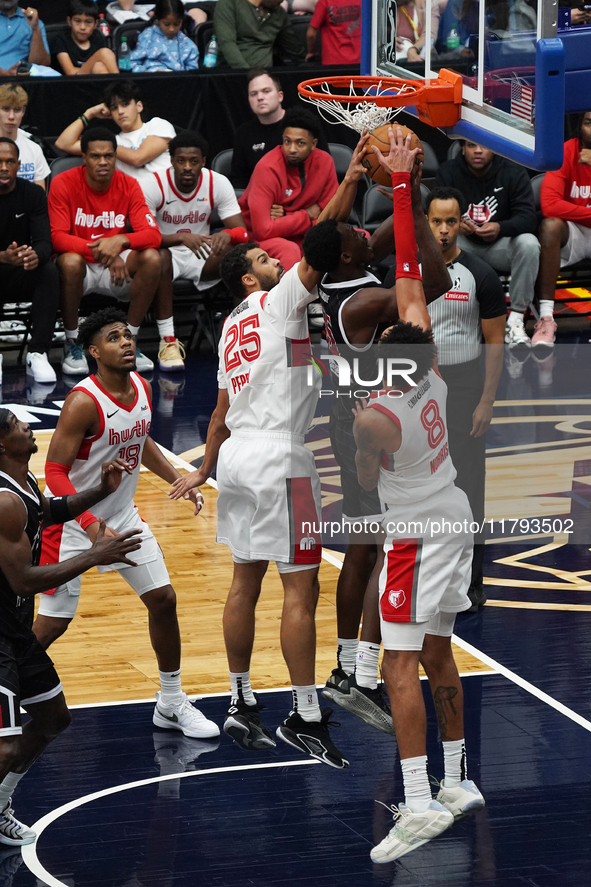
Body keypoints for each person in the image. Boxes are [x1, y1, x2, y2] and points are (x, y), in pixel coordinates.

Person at [168, 213, 359, 767]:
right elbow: (322, 246)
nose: (276, 261)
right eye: (264, 260)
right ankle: (304, 714)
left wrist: (205, 469)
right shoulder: (279, 303)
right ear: (249, 280)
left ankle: (241, 700)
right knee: (301, 588)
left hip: (237, 460)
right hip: (283, 460)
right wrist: (351, 184)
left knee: (244, 579)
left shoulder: (231, 327)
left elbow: (221, 414)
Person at [352, 128, 484, 863]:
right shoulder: (426, 363)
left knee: (397, 663)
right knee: (438, 649)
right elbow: (410, 273)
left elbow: (368, 481)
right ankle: (458, 777)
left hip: (415, 529)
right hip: (454, 510)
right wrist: (399, 184)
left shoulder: (374, 410)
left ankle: (418, 798)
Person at [32, 308, 220, 742]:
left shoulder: (139, 385)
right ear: (93, 351)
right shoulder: (83, 401)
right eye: (115, 338)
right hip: (74, 524)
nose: (127, 342)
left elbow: (142, 440)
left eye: (128, 335)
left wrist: (180, 478)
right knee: (53, 625)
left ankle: (171, 703)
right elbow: (55, 472)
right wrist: (92, 525)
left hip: (122, 515)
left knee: (164, 599)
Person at [316, 144, 452, 732]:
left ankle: (353, 666)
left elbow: (429, 275)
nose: (357, 231)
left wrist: (406, 194)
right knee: (370, 546)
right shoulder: (357, 302)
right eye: (351, 233)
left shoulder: (349, 272)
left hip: (363, 416)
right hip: (365, 427)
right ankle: (354, 669)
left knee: (369, 546)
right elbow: (427, 283)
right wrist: (402, 191)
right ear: (345, 256)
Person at [0, 406, 143, 846]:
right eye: (16, 424)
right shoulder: (3, 501)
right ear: (3, 443)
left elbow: (48, 510)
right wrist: (93, 556)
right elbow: (23, 579)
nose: (27, 425)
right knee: (4, 746)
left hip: (15, 627)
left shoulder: (23, 483)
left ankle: (0, 803)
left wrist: (100, 489)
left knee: (52, 717)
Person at [425, 186, 506, 611]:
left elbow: (495, 342)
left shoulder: (481, 274)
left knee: (468, 484)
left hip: (464, 386)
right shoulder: (408, 271)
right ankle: (424, 571)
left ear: (462, 223)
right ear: (425, 222)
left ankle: (472, 581)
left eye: (450, 221)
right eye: (436, 221)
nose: (442, 230)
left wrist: (487, 401)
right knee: (418, 485)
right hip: (417, 387)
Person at [48, 126, 163, 376]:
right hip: (82, 267)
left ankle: (130, 340)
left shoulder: (129, 185)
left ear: (115, 157)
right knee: (68, 262)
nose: (103, 162)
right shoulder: (62, 183)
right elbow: (57, 238)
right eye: (95, 156)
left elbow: (153, 235)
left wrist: (121, 240)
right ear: (84, 157)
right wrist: (104, 252)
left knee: (153, 258)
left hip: (117, 267)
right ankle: (72, 342)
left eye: (109, 156)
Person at [143, 130, 247, 370]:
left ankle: (237, 333)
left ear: (203, 161)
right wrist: (179, 237)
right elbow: (144, 238)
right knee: (158, 257)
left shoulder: (217, 182)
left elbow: (242, 232)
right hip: (165, 253)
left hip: (202, 254)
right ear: (172, 161)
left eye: (193, 161)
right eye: (181, 161)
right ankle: (168, 341)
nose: (187, 167)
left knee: (241, 254)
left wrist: (225, 234)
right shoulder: (153, 184)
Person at [435, 141, 539, 349]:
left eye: (484, 146)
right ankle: (444, 323)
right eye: (472, 146)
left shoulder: (513, 171)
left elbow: (529, 218)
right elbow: (437, 216)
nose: (479, 151)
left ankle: (516, 320)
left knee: (529, 244)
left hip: (499, 245)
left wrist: (501, 227)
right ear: (463, 148)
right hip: (463, 245)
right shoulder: (448, 171)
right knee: (438, 241)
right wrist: (455, 225)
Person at [238, 108, 339, 269]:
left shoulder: (325, 162)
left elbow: (330, 216)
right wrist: (307, 215)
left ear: (313, 144)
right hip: (259, 240)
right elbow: (263, 230)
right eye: (287, 141)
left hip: (304, 234)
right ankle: (292, 295)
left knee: (354, 238)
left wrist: (286, 215)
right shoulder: (266, 167)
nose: (292, 149)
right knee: (289, 250)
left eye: (300, 143)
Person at [0, 137, 58, 384]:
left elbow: (45, 241)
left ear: (18, 165)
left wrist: (36, 255)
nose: (4, 167)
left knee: (50, 271)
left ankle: (37, 352)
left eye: (10, 161)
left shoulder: (33, 193)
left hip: (22, 269)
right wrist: (2, 257)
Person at [54, 79, 176, 190]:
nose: (120, 111)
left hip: (169, 200)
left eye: (125, 104)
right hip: (135, 203)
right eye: (114, 108)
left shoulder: (158, 125)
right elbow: (63, 143)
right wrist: (89, 113)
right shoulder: (113, 141)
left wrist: (107, 147)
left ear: (139, 106)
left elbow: (138, 158)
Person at [535, 111, 591, 350]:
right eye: (589, 123)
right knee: (550, 227)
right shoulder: (567, 151)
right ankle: (546, 318)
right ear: (580, 126)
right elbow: (550, 205)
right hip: (575, 232)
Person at [231, 69, 329, 190]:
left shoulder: (304, 124)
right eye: (253, 94)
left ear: (280, 96)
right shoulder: (243, 133)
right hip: (261, 199)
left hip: (304, 198)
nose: (260, 97)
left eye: (266, 91)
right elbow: (239, 180)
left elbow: (324, 170)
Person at [213, 0, 306, 69]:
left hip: (266, 79)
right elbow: (227, 43)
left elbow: (294, 49)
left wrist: (308, 58)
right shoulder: (229, 3)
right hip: (231, 75)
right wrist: (247, 74)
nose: (283, 0)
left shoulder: (280, 14)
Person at [0, 83, 50, 189]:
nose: (11, 116)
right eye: (6, 109)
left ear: (23, 111)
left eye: (17, 110)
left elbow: (40, 196)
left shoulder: (34, 149)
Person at [130, 0, 199, 72]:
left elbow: (192, 72)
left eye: (176, 24)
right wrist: (146, 73)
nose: (171, 29)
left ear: (182, 20)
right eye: (166, 24)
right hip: (150, 79)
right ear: (159, 20)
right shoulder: (147, 37)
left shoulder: (187, 44)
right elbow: (132, 62)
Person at [54, 0, 119, 76]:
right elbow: (71, 73)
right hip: (72, 84)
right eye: (77, 21)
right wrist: (91, 67)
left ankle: (119, 85)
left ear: (96, 24)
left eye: (88, 22)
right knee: (104, 53)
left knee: (99, 67)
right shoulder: (60, 39)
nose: (82, 27)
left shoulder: (97, 37)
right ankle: (122, 84)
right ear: (69, 21)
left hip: (93, 82)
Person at [0, 2, 50, 75]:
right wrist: (5, 74)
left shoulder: (32, 20)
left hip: (22, 81)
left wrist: (35, 28)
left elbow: (41, 65)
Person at [306, 0, 361, 65]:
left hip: (333, 63)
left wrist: (311, 52)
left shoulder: (325, 1)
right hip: (360, 63)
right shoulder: (365, 2)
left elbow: (311, 34)